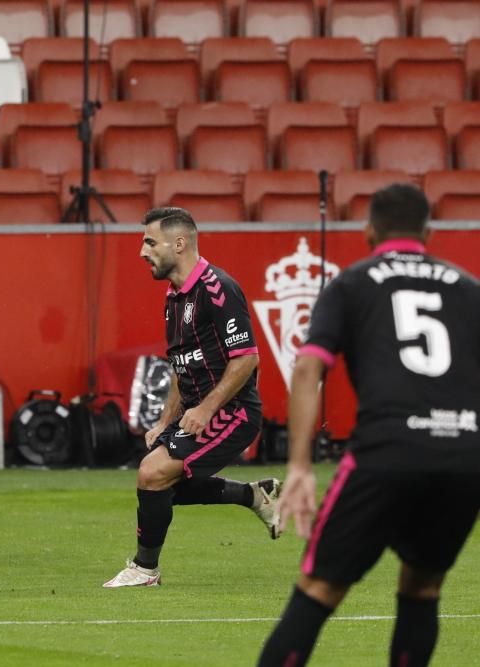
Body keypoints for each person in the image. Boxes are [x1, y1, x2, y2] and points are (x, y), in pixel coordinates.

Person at [258, 184, 480, 666]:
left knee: (318, 589)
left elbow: (308, 367)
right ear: (429, 232)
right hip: (463, 456)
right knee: (422, 587)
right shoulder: (467, 287)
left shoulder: (352, 283)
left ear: (368, 232)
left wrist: (298, 464)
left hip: (387, 451)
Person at [103, 207, 282, 589]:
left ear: (179, 243)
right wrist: (166, 420)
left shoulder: (219, 289)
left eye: (150, 242)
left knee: (153, 474)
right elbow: (180, 366)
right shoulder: (174, 296)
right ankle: (254, 495)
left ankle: (145, 569)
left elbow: (247, 358)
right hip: (197, 414)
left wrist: (205, 408)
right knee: (156, 481)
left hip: (233, 413)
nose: (142, 251)